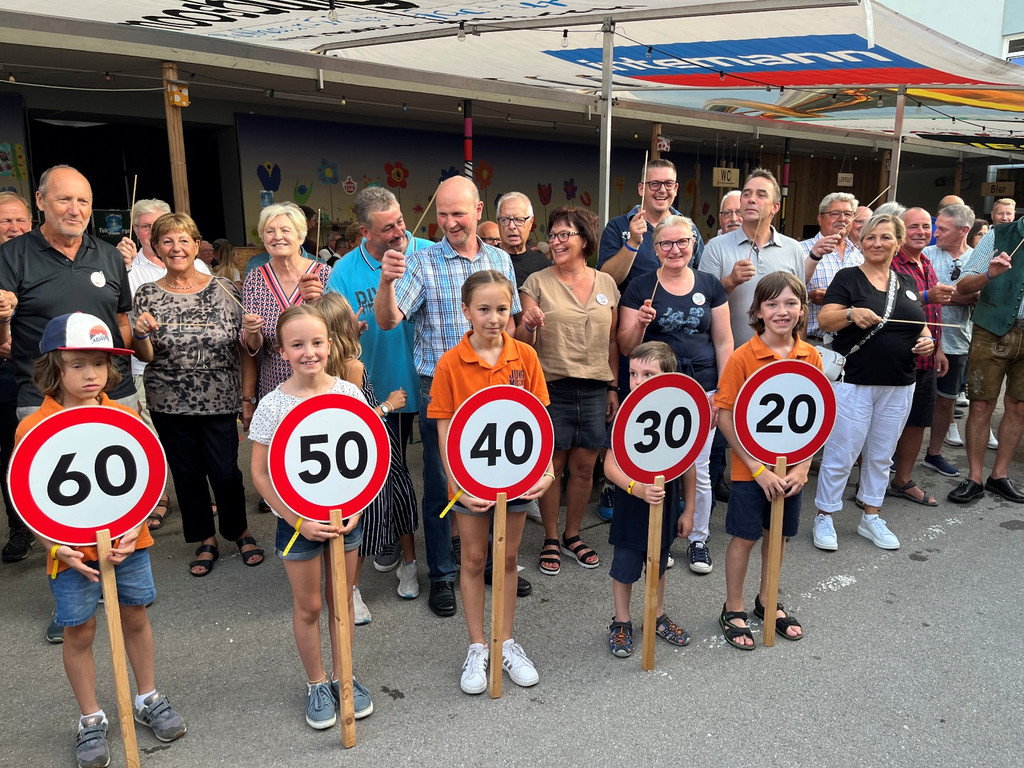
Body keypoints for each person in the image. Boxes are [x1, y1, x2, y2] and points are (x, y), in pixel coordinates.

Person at [21, 313, 186, 767]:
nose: (90, 374)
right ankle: (90, 718)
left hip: (128, 545)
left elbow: (146, 483)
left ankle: (148, 696)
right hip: (71, 554)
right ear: (54, 366)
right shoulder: (33, 427)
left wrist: (137, 529)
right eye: (77, 365)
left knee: (135, 618)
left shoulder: (123, 415)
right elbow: (29, 499)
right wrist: (55, 547)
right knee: (80, 631)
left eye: (98, 363)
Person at [0, 165, 138, 644]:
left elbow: (122, 320)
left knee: (116, 494)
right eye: (64, 200)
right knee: (61, 504)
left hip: (112, 395)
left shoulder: (107, 254)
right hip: (41, 400)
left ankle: (122, 587)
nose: (75, 210)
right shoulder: (12, 255)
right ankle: (72, 601)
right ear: (41, 201)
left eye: (83, 201)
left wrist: (137, 345)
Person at [374, 175, 522, 618]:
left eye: (458, 213)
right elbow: (387, 320)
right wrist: (385, 283)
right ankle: (441, 573)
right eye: (442, 213)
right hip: (442, 389)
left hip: (492, 388)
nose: (449, 222)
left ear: (478, 212)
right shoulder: (421, 261)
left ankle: (489, 562)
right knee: (442, 487)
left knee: (495, 480)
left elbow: (510, 323)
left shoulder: (500, 259)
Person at [429, 270, 554, 693]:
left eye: (502, 309)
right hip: (470, 482)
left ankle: (506, 641)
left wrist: (546, 469)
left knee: (507, 559)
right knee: (473, 559)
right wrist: (458, 481)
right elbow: (445, 429)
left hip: (516, 478)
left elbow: (539, 422)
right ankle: (478, 646)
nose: (493, 318)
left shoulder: (525, 357)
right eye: (483, 309)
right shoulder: (450, 362)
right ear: (466, 311)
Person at [249, 304, 374, 726]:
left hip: (345, 520)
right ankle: (317, 682)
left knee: (342, 601)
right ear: (282, 351)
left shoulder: (349, 394)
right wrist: (295, 519)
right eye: (297, 344)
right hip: (296, 523)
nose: (309, 352)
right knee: (308, 607)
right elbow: (261, 473)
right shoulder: (272, 405)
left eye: (317, 342)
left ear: (330, 344)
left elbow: (365, 460)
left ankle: (345, 676)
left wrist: (357, 507)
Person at [131, 212, 261, 577]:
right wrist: (140, 335)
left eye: (184, 240)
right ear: (156, 247)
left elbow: (248, 347)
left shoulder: (223, 287)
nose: (176, 248)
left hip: (219, 397)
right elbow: (146, 356)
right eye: (167, 241)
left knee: (224, 472)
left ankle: (239, 530)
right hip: (168, 401)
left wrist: (253, 332)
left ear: (196, 244)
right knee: (187, 474)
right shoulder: (147, 293)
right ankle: (205, 538)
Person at [616, 215, 732, 575]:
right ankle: (662, 535)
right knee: (657, 466)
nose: (674, 249)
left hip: (703, 387)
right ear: (655, 248)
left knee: (698, 466)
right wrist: (639, 323)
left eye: (682, 242)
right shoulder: (640, 286)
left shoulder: (711, 285)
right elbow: (624, 346)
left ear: (694, 244)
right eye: (665, 243)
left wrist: (722, 395)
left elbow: (724, 340)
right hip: (654, 391)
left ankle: (698, 537)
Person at [812, 214, 934, 551]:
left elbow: (918, 326)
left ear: (897, 242)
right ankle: (825, 514)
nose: (876, 243)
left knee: (881, 455)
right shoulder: (848, 278)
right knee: (842, 451)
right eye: (870, 238)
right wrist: (851, 314)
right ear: (861, 242)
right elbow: (825, 318)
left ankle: (871, 515)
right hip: (855, 381)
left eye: (884, 237)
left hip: (900, 382)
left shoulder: (906, 283)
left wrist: (928, 342)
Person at [325, 186, 428, 576]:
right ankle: (389, 535)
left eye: (400, 221)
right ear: (365, 232)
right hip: (383, 384)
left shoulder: (428, 250)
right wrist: (348, 326)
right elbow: (335, 327)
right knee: (390, 473)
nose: (398, 231)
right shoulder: (345, 270)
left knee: (437, 470)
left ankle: (440, 540)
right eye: (387, 228)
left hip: (431, 378)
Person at [715, 272, 818, 650]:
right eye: (772, 304)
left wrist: (803, 467)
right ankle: (733, 605)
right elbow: (724, 415)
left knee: (779, 535)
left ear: (802, 310)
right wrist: (757, 470)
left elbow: (815, 420)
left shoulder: (811, 355)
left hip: (791, 471)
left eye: (791, 303)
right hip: (750, 471)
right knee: (744, 537)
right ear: (757, 311)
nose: (782, 311)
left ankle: (767, 600)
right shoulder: (744, 357)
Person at [518, 207, 619, 576]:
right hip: (551, 387)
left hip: (595, 387)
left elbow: (612, 341)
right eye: (554, 235)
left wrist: (613, 386)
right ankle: (549, 537)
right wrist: (529, 324)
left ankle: (572, 535)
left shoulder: (607, 284)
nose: (556, 241)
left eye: (565, 235)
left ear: (585, 241)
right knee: (553, 466)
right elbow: (521, 339)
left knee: (584, 468)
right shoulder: (537, 282)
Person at [314, 292, 419, 621]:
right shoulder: (353, 366)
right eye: (350, 316)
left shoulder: (330, 366)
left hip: (361, 448)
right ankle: (357, 587)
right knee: (379, 506)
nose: (359, 317)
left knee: (396, 496)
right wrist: (389, 404)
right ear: (341, 327)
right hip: (371, 443)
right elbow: (356, 422)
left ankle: (404, 568)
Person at [119, 199, 211, 531]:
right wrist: (121, 267)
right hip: (149, 371)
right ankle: (158, 498)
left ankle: (202, 495)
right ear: (144, 234)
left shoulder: (203, 272)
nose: (156, 233)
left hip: (200, 376)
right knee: (154, 440)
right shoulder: (127, 269)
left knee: (196, 443)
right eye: (145, 226)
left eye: (161, 225)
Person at [603, 341, 696, 658]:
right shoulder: (625, 415)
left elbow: (689, 465)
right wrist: (637, 489)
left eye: (648, 374)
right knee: (625, 567)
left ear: (669, 376)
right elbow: (609, 466)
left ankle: (656, 615)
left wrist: (690, 510)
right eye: (632, 373)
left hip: (666, 505)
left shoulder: (679, 413)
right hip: (632, 506)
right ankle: (622, 620)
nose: (638, 381)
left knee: (658, 564)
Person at [947, 214, 1024, 504]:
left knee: (1018, 407)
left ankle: (999, 476)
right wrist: (990, 274)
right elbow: (964, 286)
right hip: (991, 331)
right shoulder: (998, 235)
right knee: (980, 405)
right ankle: (975, 478)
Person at [887, 208, 955, 506]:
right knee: (885, 425)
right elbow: (892, 305)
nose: (921, 231)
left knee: (917, 422)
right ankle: (869, 486)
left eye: (926, 226)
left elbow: (933, 314)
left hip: (927, 359)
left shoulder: (926, 261)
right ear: (901, 231)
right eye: (913, 226)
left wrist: (938, 348)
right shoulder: (890, 261)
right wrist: (928, 296)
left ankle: (902, 481)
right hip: (897, 358)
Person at [698, 168, 804, 347]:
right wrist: (730, 281)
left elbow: (801, 307)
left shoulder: (793, 248)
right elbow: (700, 303)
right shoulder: (715, 247)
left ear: (775, 207)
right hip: (730, 356)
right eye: (746, 194)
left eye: (761, 195)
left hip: (780, 359)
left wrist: (798, 354)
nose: (751, 199)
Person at [921, 204, 977, 478]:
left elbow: (978, 298)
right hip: (921, 339)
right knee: (910, 400)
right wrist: (960, 297)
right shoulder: (927, 254)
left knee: (946, 401)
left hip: (958, 341)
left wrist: (941, 294)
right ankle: (894, 453)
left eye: (942, 228)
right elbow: (920, 294)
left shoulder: (978, 259)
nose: (935, 233)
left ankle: (934, 453)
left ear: (963, 230)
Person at [0, 192, 31, 562]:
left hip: (30, 376)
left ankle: (33, 525)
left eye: (20, 221)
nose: (14, 228)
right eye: (6, 221)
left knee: (23, 454)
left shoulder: (36, 262)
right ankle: (19, 527)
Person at [802, 192, 862, 344]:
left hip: (851, 343)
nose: (842, 219)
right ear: (820, 219)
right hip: (813, 342)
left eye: (848, 214)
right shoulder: (801, 250)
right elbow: (785, 290)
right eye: (835, 214)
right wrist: (808, 297)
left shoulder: (860, 255)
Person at [495, 191, 550, 287]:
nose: (512, 226)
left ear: (531, 222)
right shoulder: (486, 260)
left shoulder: (543, 266)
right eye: (504, 220)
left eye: (519, 220)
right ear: (498, 223)